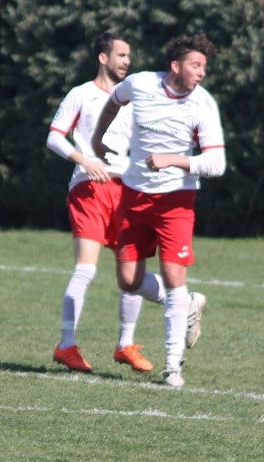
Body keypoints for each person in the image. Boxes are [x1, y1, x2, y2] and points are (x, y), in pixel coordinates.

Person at [46, 33, 205, 375]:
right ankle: (67, 343)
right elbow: (54, 136)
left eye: (128, 56)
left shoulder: (136, 99)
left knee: (132, 270)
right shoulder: (82, 94)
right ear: (102, 58)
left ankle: (126, 344)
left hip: (128, 190)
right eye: (120, 55)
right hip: (90, 188)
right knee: (86, 269)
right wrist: (84, 160)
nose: (126, 61)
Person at [91, 34, 226, 389]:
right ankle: (188, 303)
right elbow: (114, 101)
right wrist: (97, 139)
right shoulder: (141, 84)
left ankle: (172, 366)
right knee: (128, 281)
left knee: (172, 275)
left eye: (204, 67)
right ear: (175, 66)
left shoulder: (203, 104)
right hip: (134, 196)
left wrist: (174, 161)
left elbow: (216, 163)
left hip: (176, 202)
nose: (202, 73)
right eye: (196, 65)